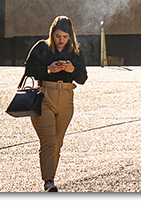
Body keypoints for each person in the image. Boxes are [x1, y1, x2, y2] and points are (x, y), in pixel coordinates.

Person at [24, 15, 88, 193]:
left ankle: (50, 177)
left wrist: (72, 70)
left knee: (58, 142)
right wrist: (48, 70)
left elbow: (83, 78)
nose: (61, 40)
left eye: (65, 37)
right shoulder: (42, 48)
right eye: (58, 36)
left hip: (67, 97)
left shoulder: (75, 52)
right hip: (45, 96)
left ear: (70, 36)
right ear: (52, 34)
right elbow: (28, 69)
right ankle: (48, 182)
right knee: (48, 142)